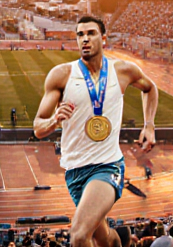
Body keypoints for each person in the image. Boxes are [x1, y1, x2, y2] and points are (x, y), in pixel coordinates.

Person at [33, 16, 159, 247]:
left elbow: (150, 88)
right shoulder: (61, 75)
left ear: (103, 38)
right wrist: (53, 121)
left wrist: (149, 125)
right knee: (104, 238)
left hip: (107, 166)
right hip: (74, 172)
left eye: (90, 33)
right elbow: (38, 126)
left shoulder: (122, 70)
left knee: (79, 236)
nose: (85, 39)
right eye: (80, 35)